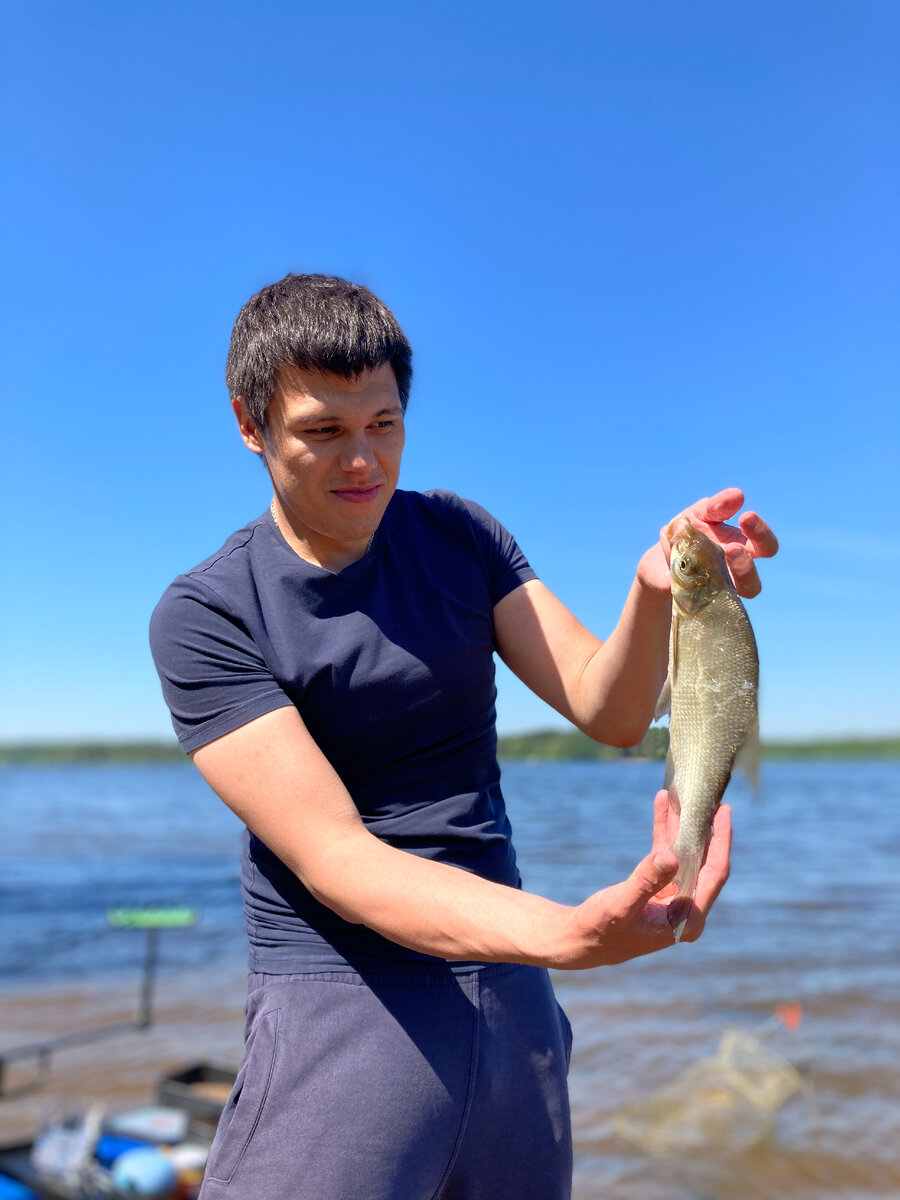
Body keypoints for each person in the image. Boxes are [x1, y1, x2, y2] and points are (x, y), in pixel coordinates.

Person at [149, 273, 777, 1200]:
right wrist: (569, 933)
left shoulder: (459, 535)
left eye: (384, 425)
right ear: (250, 423)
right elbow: (342, 862)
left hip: (509, 984)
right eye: (323, 431)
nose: (362, 460)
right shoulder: (208, 614)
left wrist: (658, 590)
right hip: (345, 990)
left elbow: (608, 711)